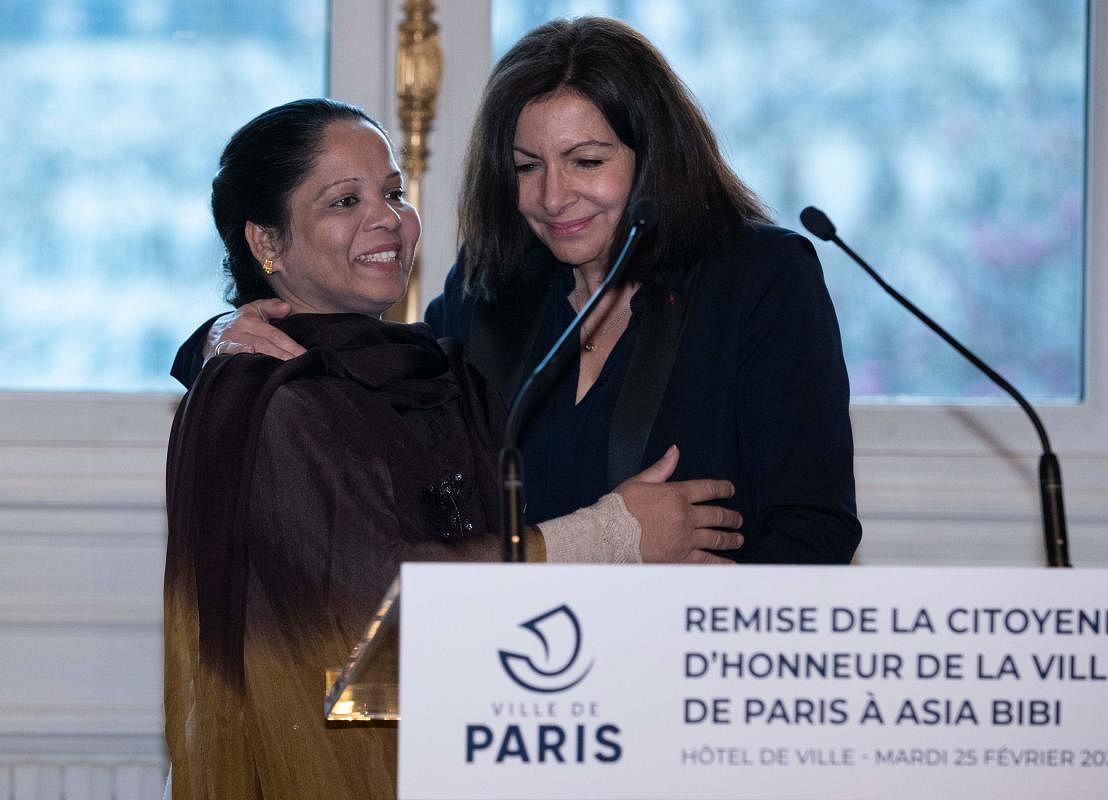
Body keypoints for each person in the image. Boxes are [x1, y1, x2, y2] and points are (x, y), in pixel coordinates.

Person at [165, 98, 742, 799]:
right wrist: (615, 533)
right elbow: (384, 614)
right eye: (344, 200)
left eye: (393, 193)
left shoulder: (423, 364)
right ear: (267, 243)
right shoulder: (276, 399)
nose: (387, 219)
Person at [174, 16, 861, 565]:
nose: (554, 196)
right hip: (522, 686)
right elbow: (371, 380)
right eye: (527, 167)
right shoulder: (494, 286)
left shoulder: (758, 278)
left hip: (701, 682)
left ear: (654, 157)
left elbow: (816, 529)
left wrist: (707, 605)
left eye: (587, 162)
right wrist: (215, 339)